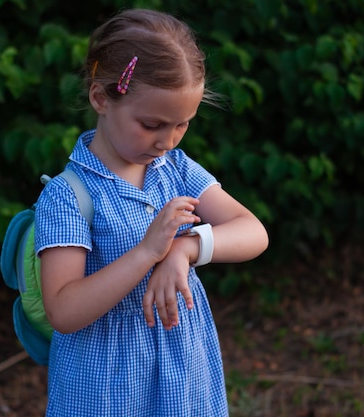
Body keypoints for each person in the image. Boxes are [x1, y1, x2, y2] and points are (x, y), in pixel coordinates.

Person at [34, 8, 269, 416]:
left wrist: (185, 250)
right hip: (106, 384)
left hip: (182, 372)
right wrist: (147, 252)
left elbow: (253, 232)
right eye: (152, 124)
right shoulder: (68, 196)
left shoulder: (174, 169)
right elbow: (64, 311)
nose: (167, 140)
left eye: (182, 125)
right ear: (101, 98)